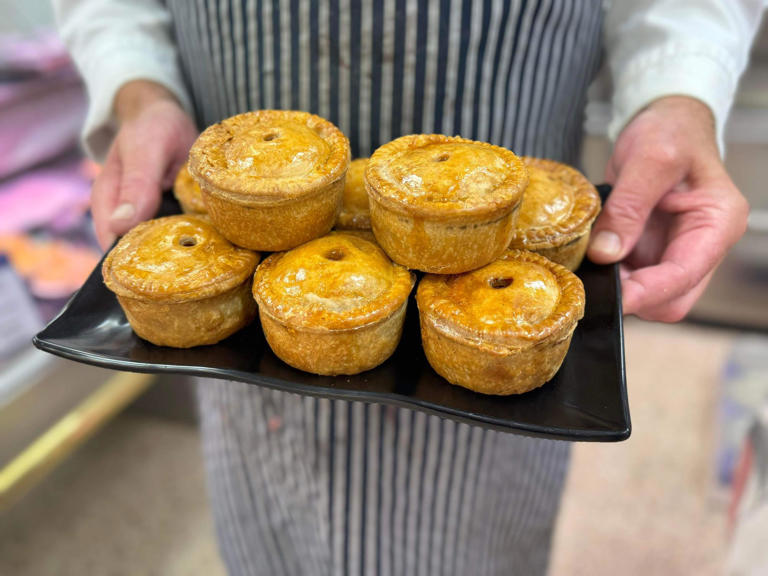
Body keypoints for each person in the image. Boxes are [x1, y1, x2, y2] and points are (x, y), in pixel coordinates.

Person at [54, 1, 765, 574]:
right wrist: (139, 88)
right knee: (269, 534)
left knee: (476, 535)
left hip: (511, 178)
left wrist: (680, 91)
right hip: (249, 268)